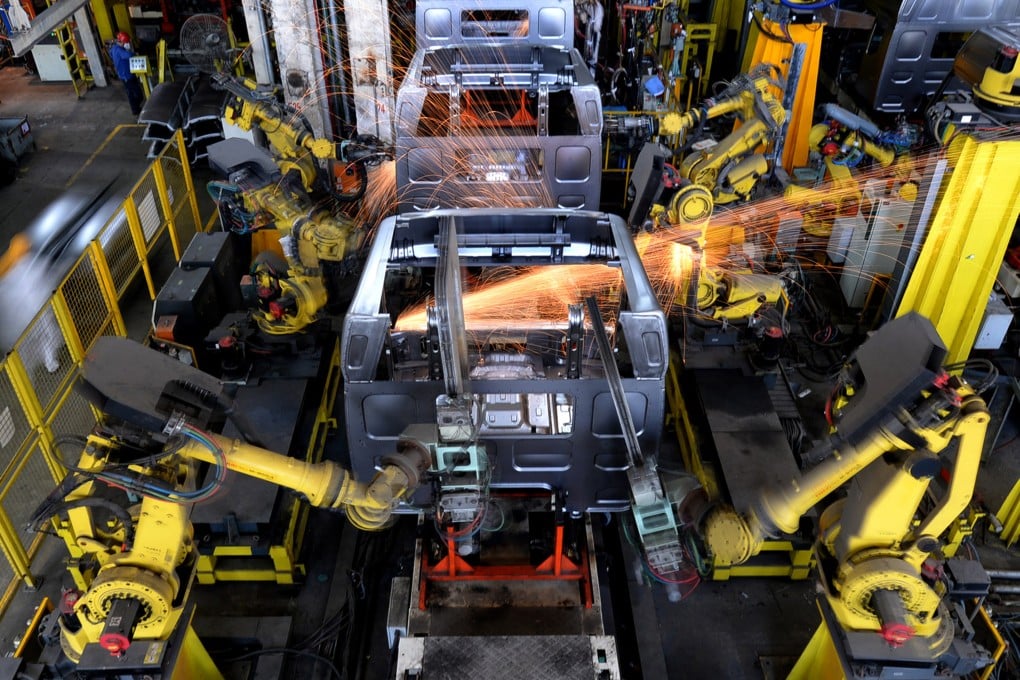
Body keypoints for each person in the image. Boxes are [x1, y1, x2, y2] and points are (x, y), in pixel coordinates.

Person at [109, 32, 144, 115]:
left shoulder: (114, 48)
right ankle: (135, 110)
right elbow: (128, 55)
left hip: (123, 75)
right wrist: (133, 53)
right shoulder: (120, 50)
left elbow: (111, 54)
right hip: (127, 76)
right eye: (126, 43)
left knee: (131, 93)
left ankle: (136, 108)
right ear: (122, 42)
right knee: (136, 94)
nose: (127, 44)